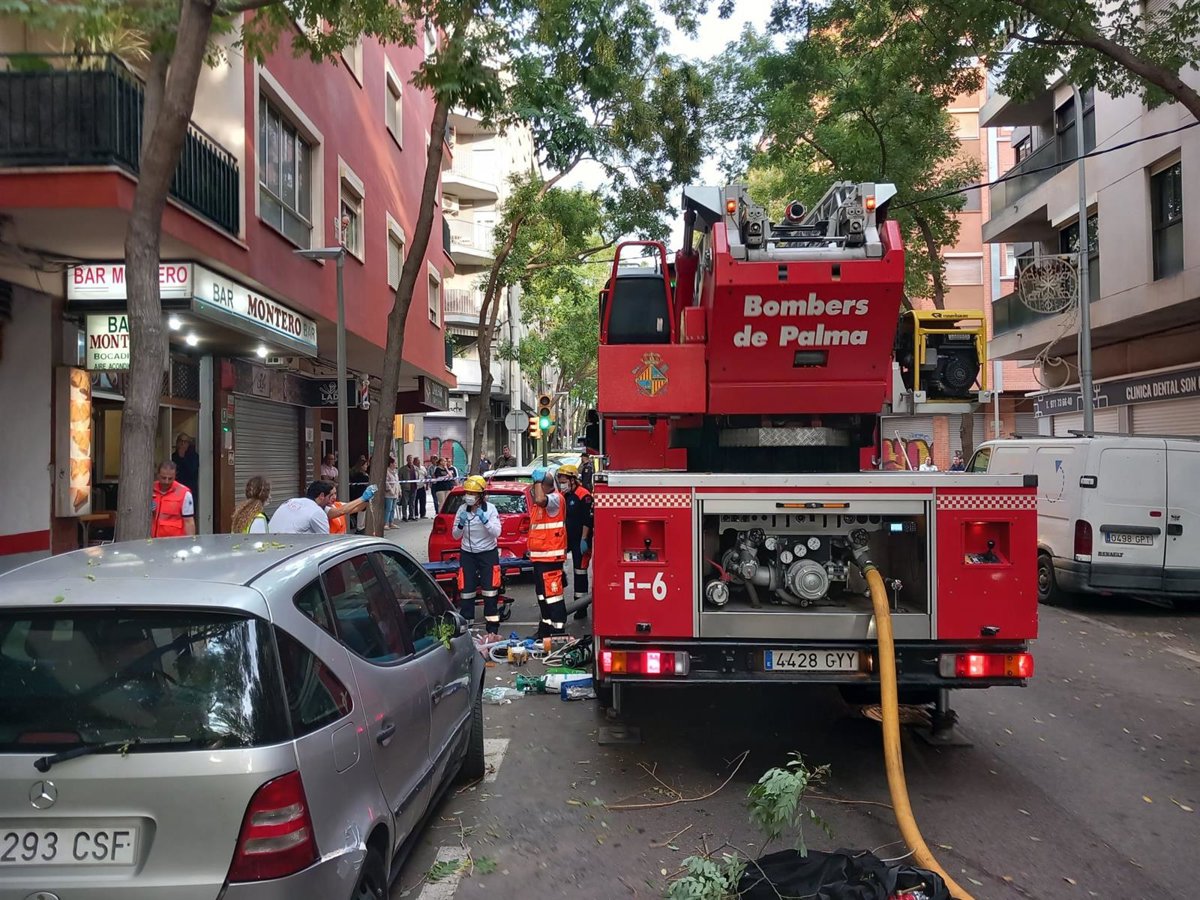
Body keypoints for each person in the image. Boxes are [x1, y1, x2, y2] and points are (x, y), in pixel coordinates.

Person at [452, 475, 503, 639]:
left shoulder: (490, 509)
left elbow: (497, 532)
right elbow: (455, 535)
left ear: (481, 495)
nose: (469, 496)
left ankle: (492, 630)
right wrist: (460, 524)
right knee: (466, 592)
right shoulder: (462, 510)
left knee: (490, 592)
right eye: (468, 493)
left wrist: (485, 520)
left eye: (473, 493)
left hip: (488, 554)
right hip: (468, 554)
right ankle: (467, 631)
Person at [528, 465, 568, 638]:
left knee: (553, 598)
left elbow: (539, 498)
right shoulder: (541, 506)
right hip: (540, 559)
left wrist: (538, 481)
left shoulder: (555, 500)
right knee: (543, 597)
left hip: (551, 559)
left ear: (544, 485)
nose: (533, 488)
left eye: (536, 484)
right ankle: (544, 631)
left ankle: (558, 633)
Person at [557, 464, 594, 621]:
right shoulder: (563, 495)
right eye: (560, 481)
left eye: (564, 481)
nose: (562, 484)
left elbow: (588, 520)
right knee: (558, 569)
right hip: (566, 539)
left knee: (580, 572)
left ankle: (581, 606)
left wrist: (584, 539)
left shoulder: (583, 495)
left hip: (580, 539)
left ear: (572, 480)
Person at [269, 480, 334, 534]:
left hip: (268, 539)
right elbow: (325, 540)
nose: (333, 498)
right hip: (287, 544)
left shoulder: (291, 501)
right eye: (330, 495)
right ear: (322, 496)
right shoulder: (317, 512)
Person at [151, 460, 195, 538]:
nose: (166, 481)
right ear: (158, 475)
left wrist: (191, 542)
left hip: (174, 541)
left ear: (175, 476)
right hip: (152, 540)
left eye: (170, 478)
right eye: (163, 478)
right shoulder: (149, 490)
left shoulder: (184, 493)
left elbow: (188, 522)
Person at [171, 433, 200, 507]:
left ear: (188, 444)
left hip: (189, 490)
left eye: (185, 442)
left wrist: (183, 457)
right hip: (176, 490)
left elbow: (192, 470)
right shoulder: (172, 457)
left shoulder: (194, 457)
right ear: (177, 443)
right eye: (181, 441)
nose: (182, 444)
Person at [384, 457, 400, 528]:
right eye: (395, 463)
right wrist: (390, 490)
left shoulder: (395, 472)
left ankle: (391, 522)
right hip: (389, 494)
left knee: (393, 509)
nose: (396, 464)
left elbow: (397, 482)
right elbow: (386, 483)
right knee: (388, 509)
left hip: (395, 493)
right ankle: (385, 523)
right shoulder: (387, 472)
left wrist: (399, 490)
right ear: (391, 464)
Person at [400, 456, 416, 522]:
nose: (410, 461)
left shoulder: (415, 468)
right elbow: (400, 478)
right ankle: (404, 516)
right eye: (409, 459)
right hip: (406, 488)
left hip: (414, 487)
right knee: (405, 502)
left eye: (411, 459)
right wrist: (402, 486)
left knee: (412, 502)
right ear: (407, 460)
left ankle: (411, 516)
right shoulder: (402, 469)